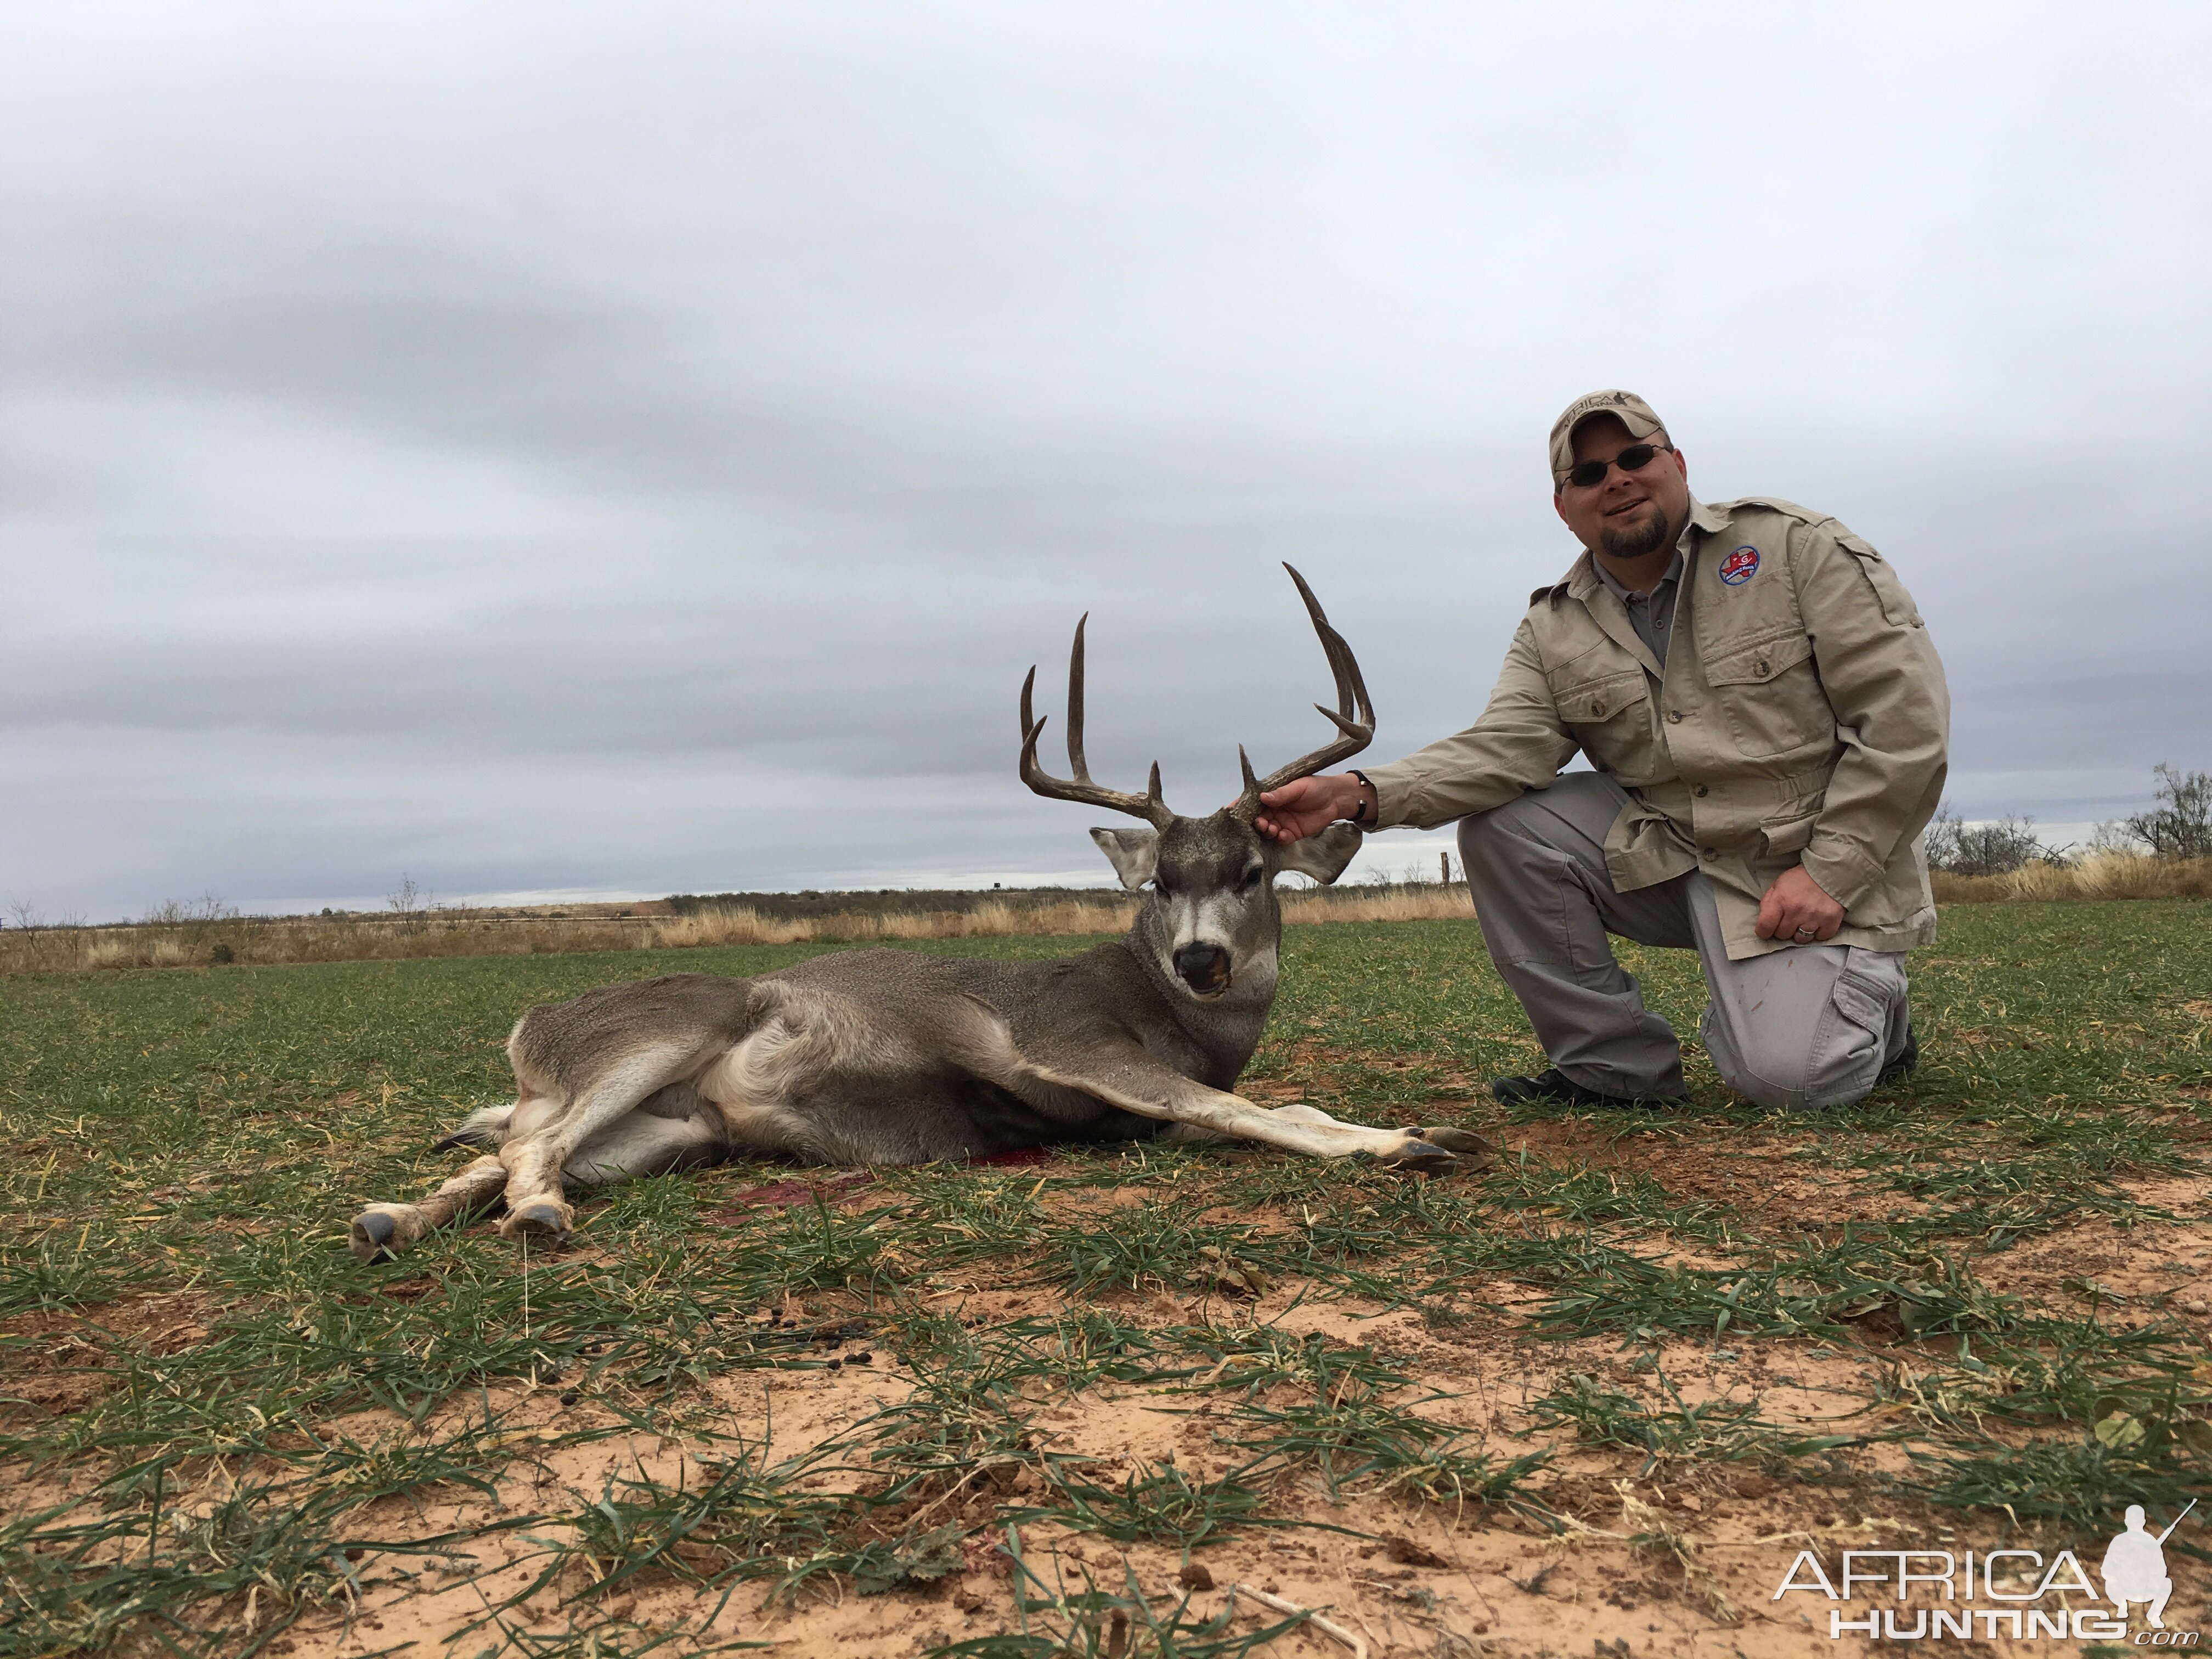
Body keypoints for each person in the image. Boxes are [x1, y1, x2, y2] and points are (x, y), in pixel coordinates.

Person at [1254, 390, 1948, 1109]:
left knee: (1788, 1080)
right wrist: (1353, 793)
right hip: (1679, 854)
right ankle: (1613, 1069)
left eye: (1635, 457)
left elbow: (1906, 721)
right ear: (1564, 505)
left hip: (1806, 859)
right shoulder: (1552, 626)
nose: (1615, 479)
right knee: (1504, 828)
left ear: (1677, 464)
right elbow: (1501, 751)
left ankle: (1874, 1019)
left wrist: (1833, 873)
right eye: (1587, 474)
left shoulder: (1795, 549)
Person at [2102, 1505, 2174, 1628]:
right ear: (2126, 1522)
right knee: (2109, 1582)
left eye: (2137, 1520)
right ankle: (2122, 1606)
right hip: (2123, 1589)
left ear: (2143, 1522)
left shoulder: (2151, 1542)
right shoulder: (2119, 1541)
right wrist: (2124, 1571)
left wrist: (2147, 1568)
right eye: (2132, 1520)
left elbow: (2163, 1570)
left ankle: (2155, 1615)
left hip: (2146, 1589)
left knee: (2167, 1583)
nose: (2135, 1523)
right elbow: (2106, 1570)